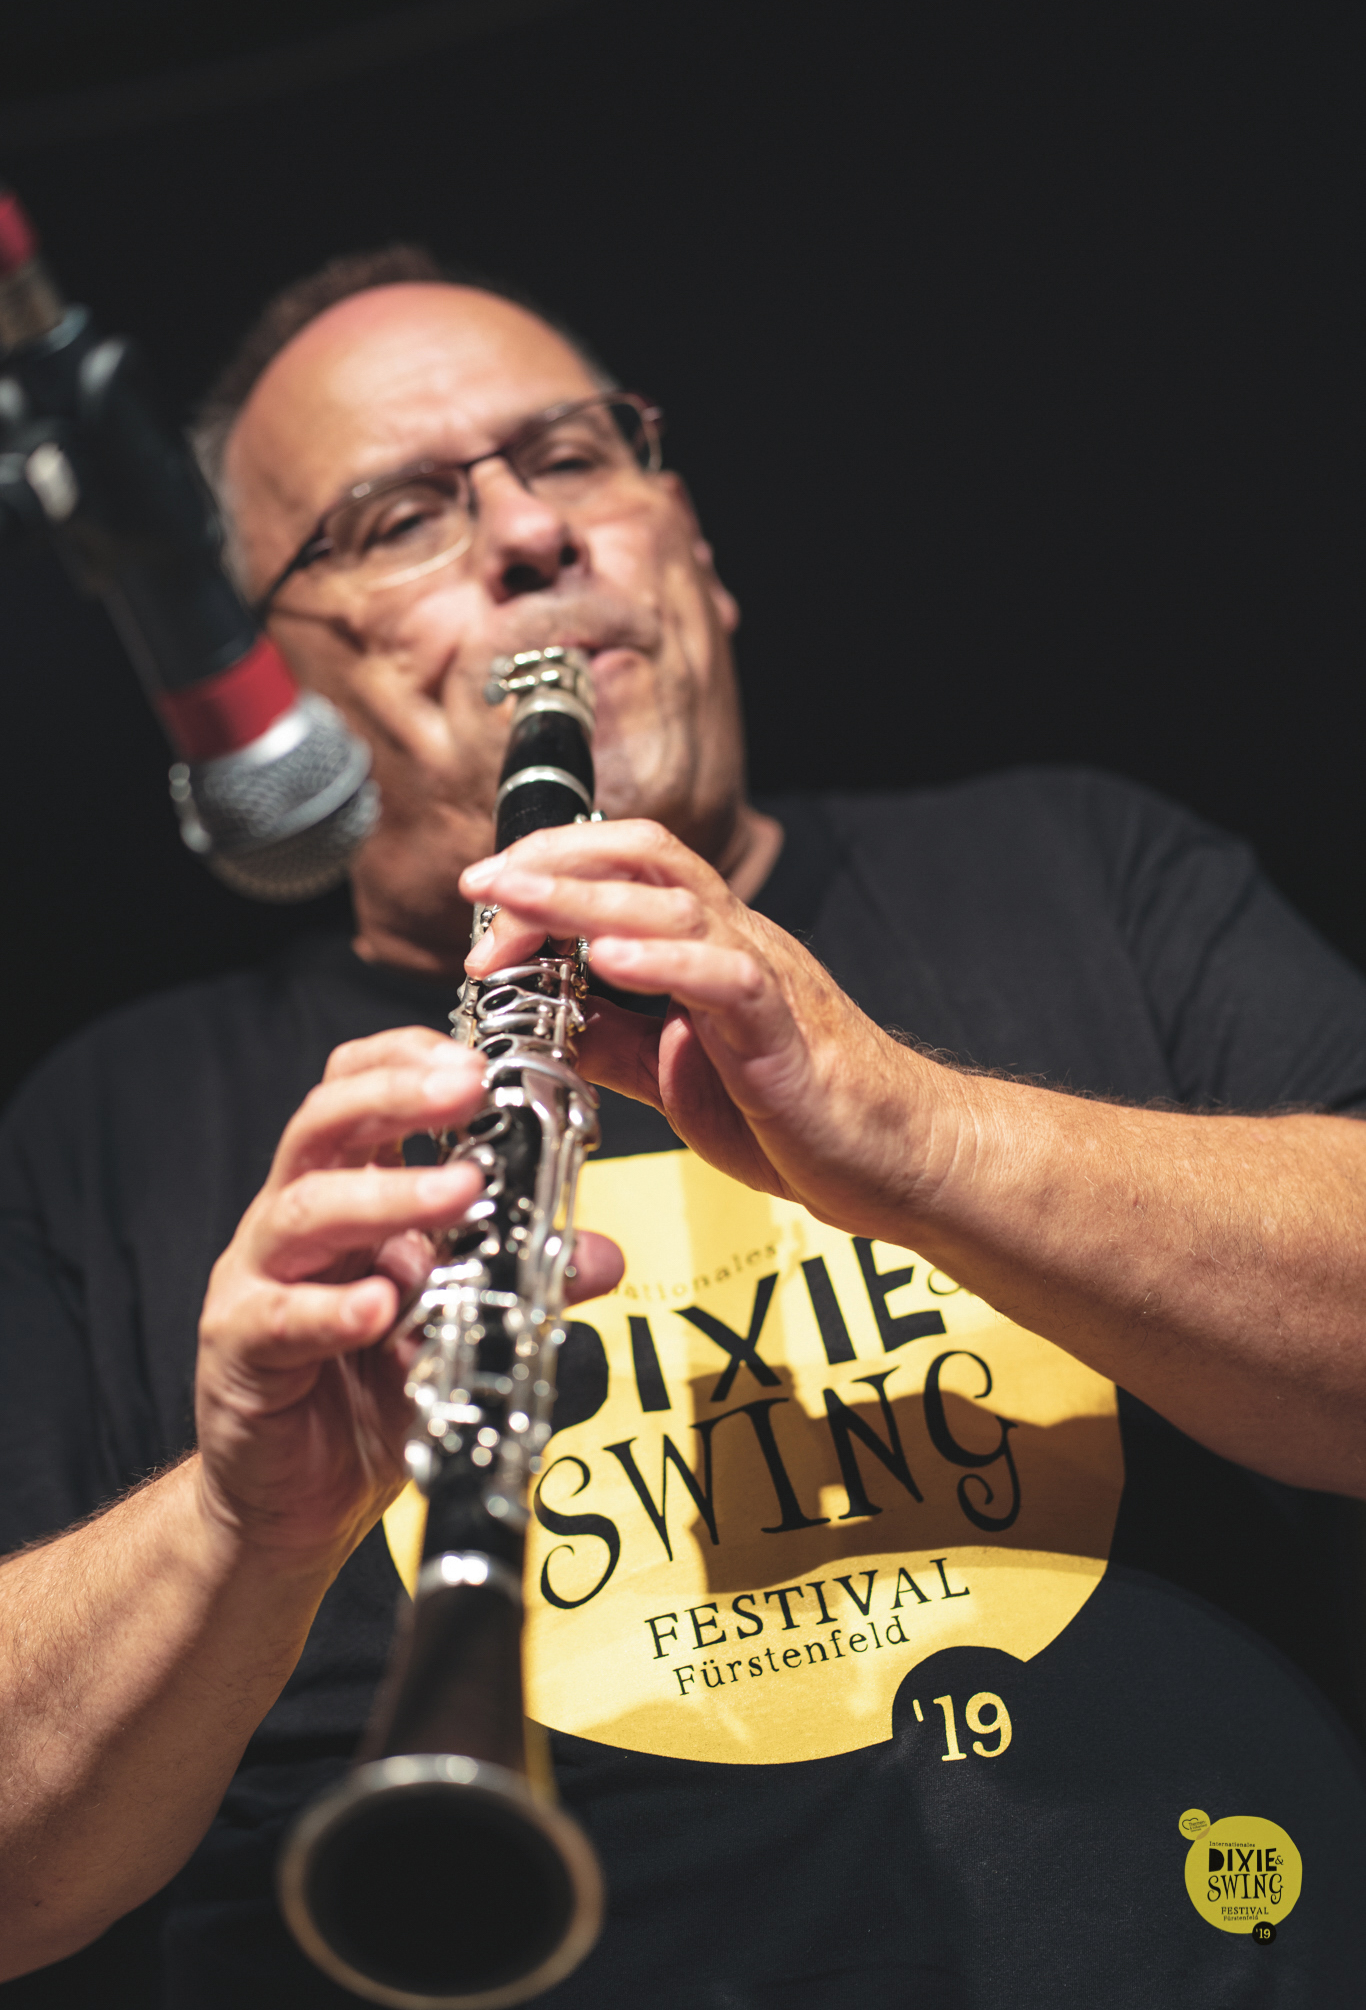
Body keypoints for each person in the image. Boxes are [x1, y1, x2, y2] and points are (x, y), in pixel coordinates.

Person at [2, 246, 1365, 2010]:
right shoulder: (108, 1130)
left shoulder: (1079, 866)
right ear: (267, 682)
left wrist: (915, 1129)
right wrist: (234, 1530)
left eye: (571, 457)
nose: (529, 536)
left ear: (695, 556)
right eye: (399, 514)